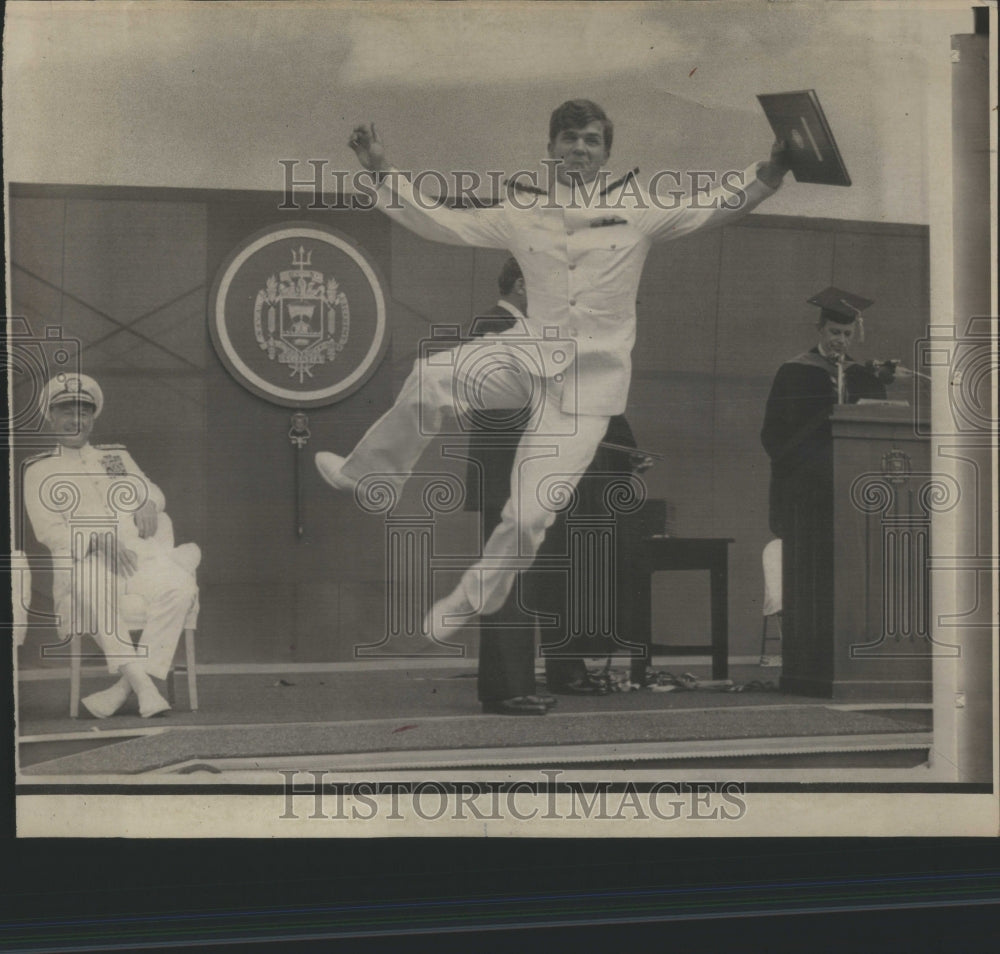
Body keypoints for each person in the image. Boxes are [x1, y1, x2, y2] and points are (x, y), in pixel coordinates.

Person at [318, 99, 790, 640]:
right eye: (569, 138)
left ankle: (476, 596)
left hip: (588, 390)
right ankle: (369, 476)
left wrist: (772, 171)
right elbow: (442, 222)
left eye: (591, 140)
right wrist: (381, 171)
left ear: (606, 153)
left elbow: (717, 205)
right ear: (550, 149)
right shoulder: (523, 211)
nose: (579, 148)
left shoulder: (640, 210)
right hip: (526, 357)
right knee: (430, 377)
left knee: (525, 519)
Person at [23, 374, 200, 718]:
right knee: (91, 583)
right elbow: (49, 532)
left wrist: (146, 502)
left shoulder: (114, 457)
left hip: (138, 558)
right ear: (50, 415)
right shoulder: (39, 470)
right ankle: (145, 687)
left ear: (93, 417)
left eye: (84, 412)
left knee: (180, 588)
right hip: (86, 563)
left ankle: (122, 690)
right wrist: (96, 538)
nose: (76, 420)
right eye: (66, 411)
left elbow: (152, 492)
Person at [760, 287, 887, 679]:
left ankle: (851, 667)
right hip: (809, 495)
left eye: (847, 335)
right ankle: (805, 669)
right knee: (810, 582)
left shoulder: (864, 375)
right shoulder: (795, 371)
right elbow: (773, 436)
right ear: (820, 328)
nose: (840, 341)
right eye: (834, 332)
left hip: (851, 497)